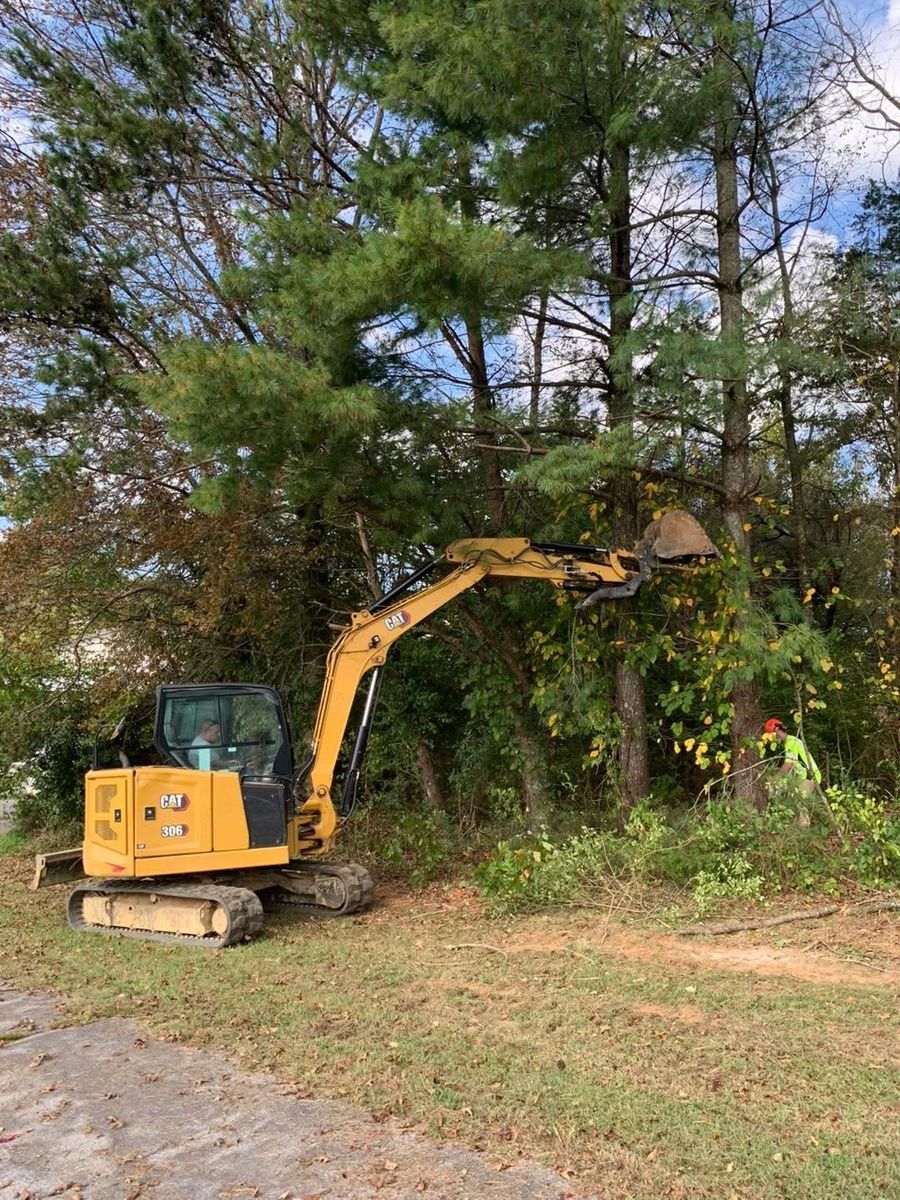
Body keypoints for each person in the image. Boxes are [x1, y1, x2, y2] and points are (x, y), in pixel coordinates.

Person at [763, 718, 822, 793]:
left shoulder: (791, 742)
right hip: (804, 777)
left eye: (771, 735)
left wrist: (775, 779)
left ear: (777, 730)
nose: (771, 739)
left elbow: (788, 764)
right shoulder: (789, 741)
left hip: (809, 777)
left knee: (798, 802)